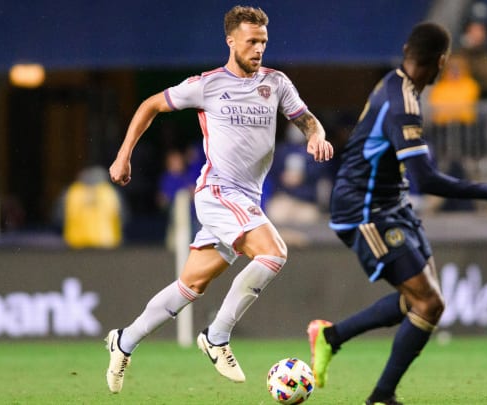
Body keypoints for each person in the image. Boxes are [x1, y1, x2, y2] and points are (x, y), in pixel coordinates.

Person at [104, 5, 333, 394]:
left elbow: (306, 118)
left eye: (263, 41)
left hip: (247, 199)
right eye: (251, 41)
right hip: (217, 192)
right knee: (274, 252)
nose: (259, 48)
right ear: (231, 41)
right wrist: (123, 154)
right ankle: (218, 335)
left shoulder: (275, 83)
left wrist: (316, 134)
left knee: (190, 284)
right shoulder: (206, 84)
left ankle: (123, 341)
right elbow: (150, 106)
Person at [306, 23, 487, 405]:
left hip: (392, 204)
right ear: (440, 62)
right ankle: (381, 396)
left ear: (407, 51)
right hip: (363, 210)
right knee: (428, 303)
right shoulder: (403, 103)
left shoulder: (395, 84)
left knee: (421, 302)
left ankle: (331, 337)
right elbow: (424, 178)